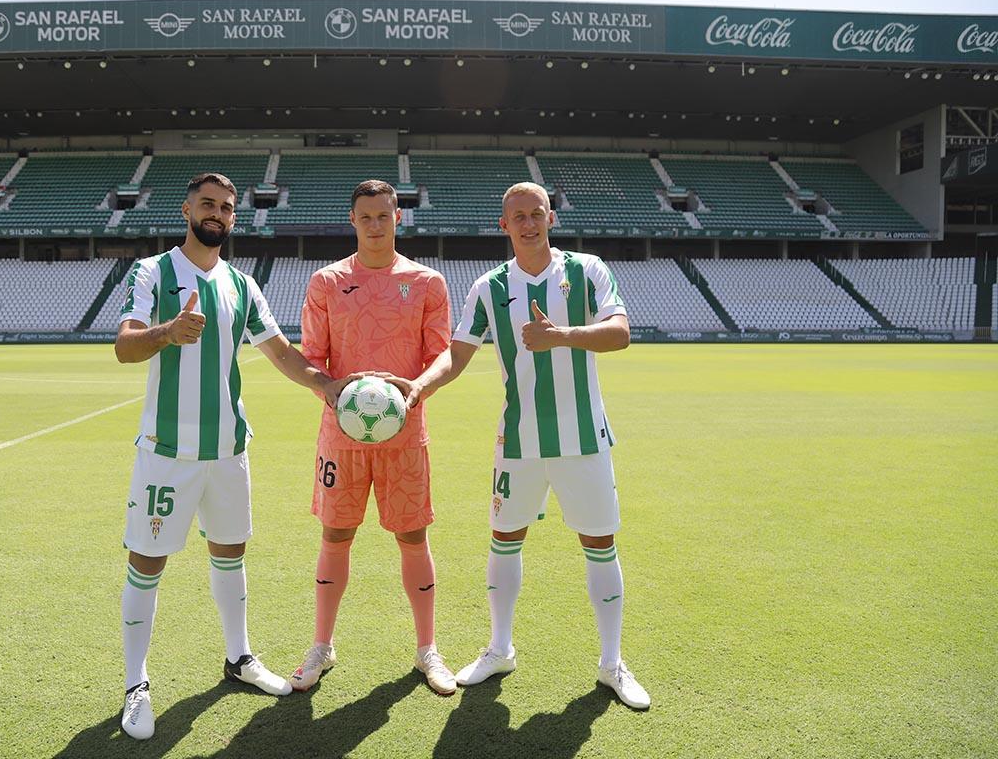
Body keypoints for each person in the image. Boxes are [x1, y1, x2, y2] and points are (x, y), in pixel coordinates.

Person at [114, 172, 351, 739]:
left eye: (225, 207)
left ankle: (239, 657)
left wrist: (329, 386)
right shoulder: (153, 272)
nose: (216, 213)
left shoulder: (242, 285)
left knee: (230, 552)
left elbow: (281, 352)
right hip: (167, 452)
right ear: (186, 210)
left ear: (233, 218)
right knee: (147, 562)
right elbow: (125, 346)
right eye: (207, 204)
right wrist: (168, 332)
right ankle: (135, 684)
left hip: (227, 450)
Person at [405, 181, 650, 709]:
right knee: (504, 538)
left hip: (583, 438)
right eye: (518, 216)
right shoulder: (489, 286)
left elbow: (620, 332)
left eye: (536, 213)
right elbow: (457, 353)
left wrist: (561, 335)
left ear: (550, 218)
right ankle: (499, 650)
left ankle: (612, 663)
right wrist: (420, 386)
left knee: (599, 543)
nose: (529, 223)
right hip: (518, 440)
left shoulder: (587, 270)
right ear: (504, 225)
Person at [289, 179, 457, 695]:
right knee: (335, 535)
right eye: (366, 217)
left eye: (384, 215)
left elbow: (443, 355)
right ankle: (321, 645)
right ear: (353, 220)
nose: (375, 225)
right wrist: (328, 386)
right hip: (341, 438)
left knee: (413, 537)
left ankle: (427, 650)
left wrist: (418, 388)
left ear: (398, 218)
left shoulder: (427, 282)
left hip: (405, 434)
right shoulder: (327, 281)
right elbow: (310, 357)